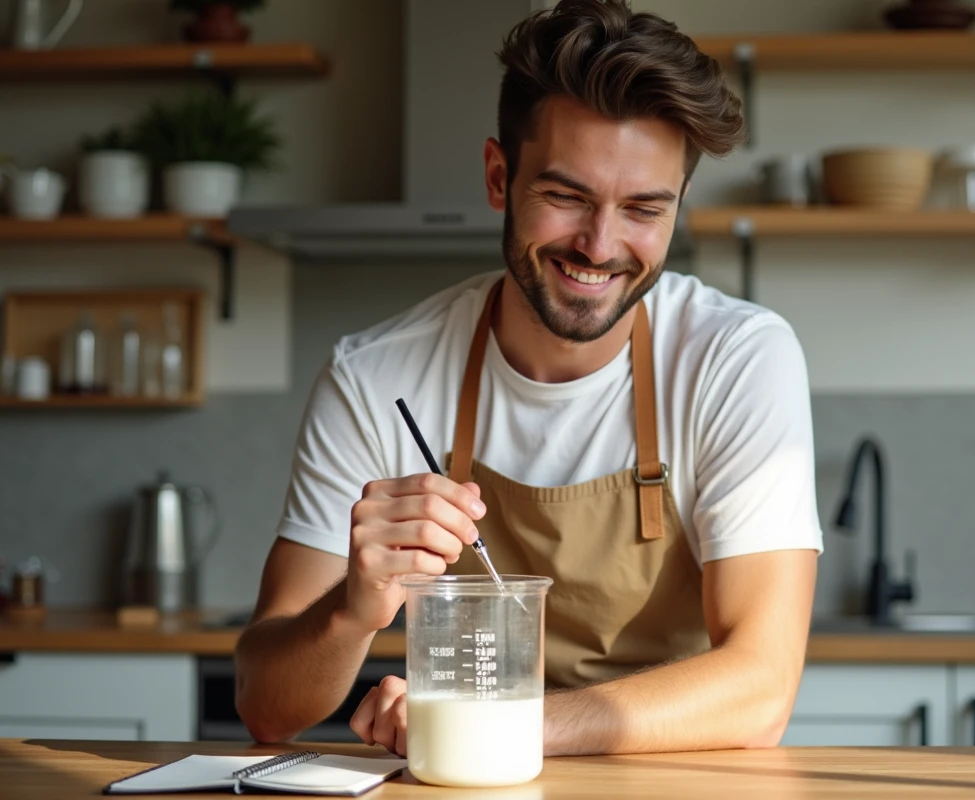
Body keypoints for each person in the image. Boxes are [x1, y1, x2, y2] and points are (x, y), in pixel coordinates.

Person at [235, 0, 822, 757]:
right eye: (566, 196)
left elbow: (761, 687)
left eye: (644, 208)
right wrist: (351, 612)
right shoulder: (376, 375)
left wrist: (495, 725)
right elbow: (267, 709)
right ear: (498, 175)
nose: (600, 245)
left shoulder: (736, 358)